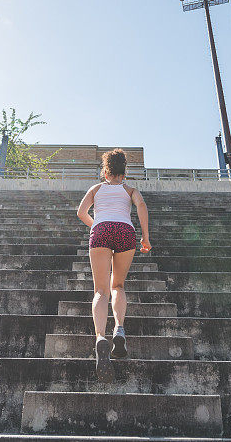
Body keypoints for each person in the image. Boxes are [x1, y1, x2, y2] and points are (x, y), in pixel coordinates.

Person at [76, 148, 151, 382]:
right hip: (125, 232)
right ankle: (119, 329)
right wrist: (145, 237)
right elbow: (141, 207)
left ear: (105, 170)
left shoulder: (96, 188)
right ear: (124, 171)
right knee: (118, 285)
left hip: (100, 231)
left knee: (100, 290)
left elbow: (80, 212)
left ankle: (100, 337)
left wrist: (96, 225)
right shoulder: (130, 190)